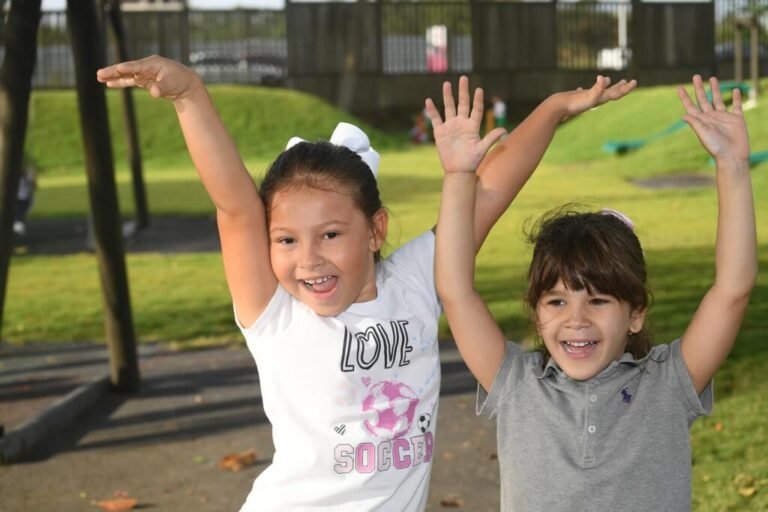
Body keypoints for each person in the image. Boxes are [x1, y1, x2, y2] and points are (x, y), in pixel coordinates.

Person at [96, 55, 632, 510]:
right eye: (286, 240)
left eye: (330, 234)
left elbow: (491, 189)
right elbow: (235, 207)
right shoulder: (276, 313)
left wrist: (555, 107)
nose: (308, 259)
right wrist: (190, 94)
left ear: (375, 230)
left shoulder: (419, 282)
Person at [433, 74, 757, 510]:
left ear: (635, 313)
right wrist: (457, 177)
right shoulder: (516, 384)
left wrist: (733, 167)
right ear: (536, 312)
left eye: (599, 301)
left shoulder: (668, 384)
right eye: (557, 301)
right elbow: (455, 290)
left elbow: (732, 289)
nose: (576, 318)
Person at [13, 159, 37, 236]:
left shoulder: (27, 176)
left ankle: (18, 230)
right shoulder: (24, 176)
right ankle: (18, 230)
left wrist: (32, 177)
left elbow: (34, 186)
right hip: (22, 199)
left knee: (19, 215)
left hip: (23, 199)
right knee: (18, 215)